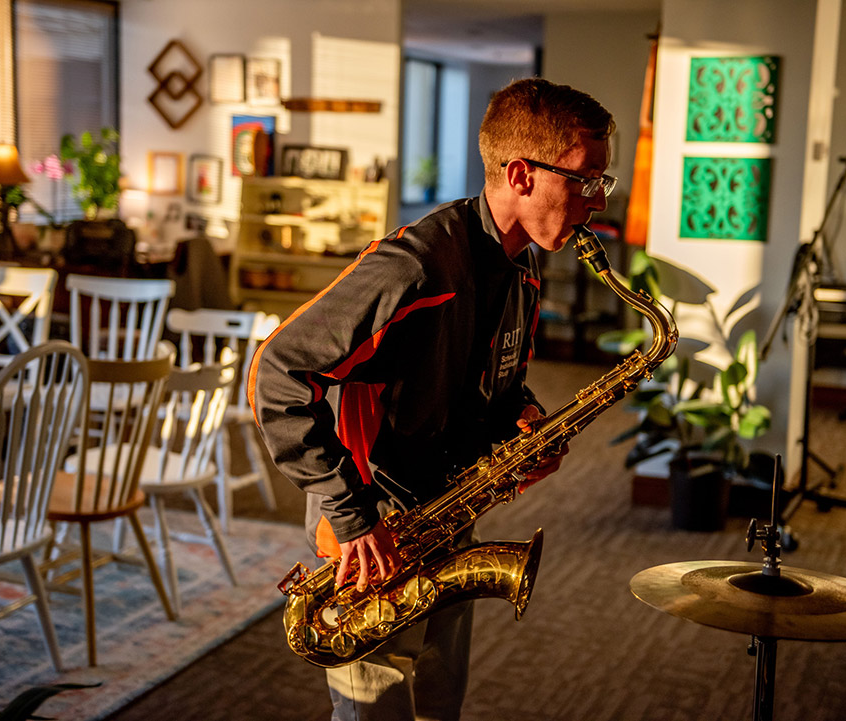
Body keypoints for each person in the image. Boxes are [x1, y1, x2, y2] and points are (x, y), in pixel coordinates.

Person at [249, 77, 616, 721]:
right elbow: (278, 372)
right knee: (375, 714)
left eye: (600, 183)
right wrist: (353, 515)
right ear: (522, 174)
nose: (596, 201)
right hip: (372, 527)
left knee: (436, 705)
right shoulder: (414, 268)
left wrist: (522, 420)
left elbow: (492, 382)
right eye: (585, 180)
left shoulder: (525, 265)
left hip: (445, 512)